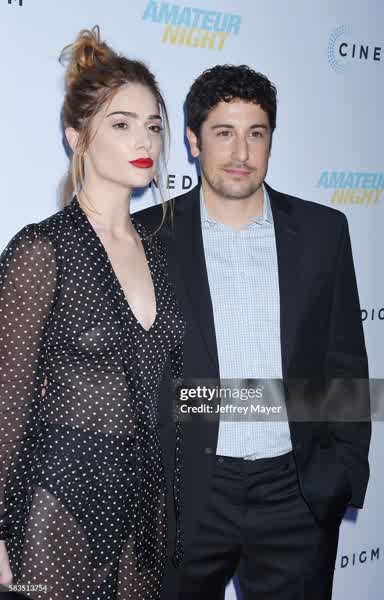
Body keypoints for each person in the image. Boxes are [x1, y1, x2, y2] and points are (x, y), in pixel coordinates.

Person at [138, 65, 371, 599]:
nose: (241, 152)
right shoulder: (148, 238)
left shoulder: (323, 232)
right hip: (185, 499)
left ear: (270, 140)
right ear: (193, 141)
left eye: (256, 133)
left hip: (296, 495)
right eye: (224, 132)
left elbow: (345, 364)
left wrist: (340, 475)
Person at [0, 27, 185, 600]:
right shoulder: (42, 249)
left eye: (153, 125)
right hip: (57, 501)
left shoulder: (160, 255)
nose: (144, 139)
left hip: (143, 510)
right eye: (121, 124)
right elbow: (6, 401)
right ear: (77, 137)